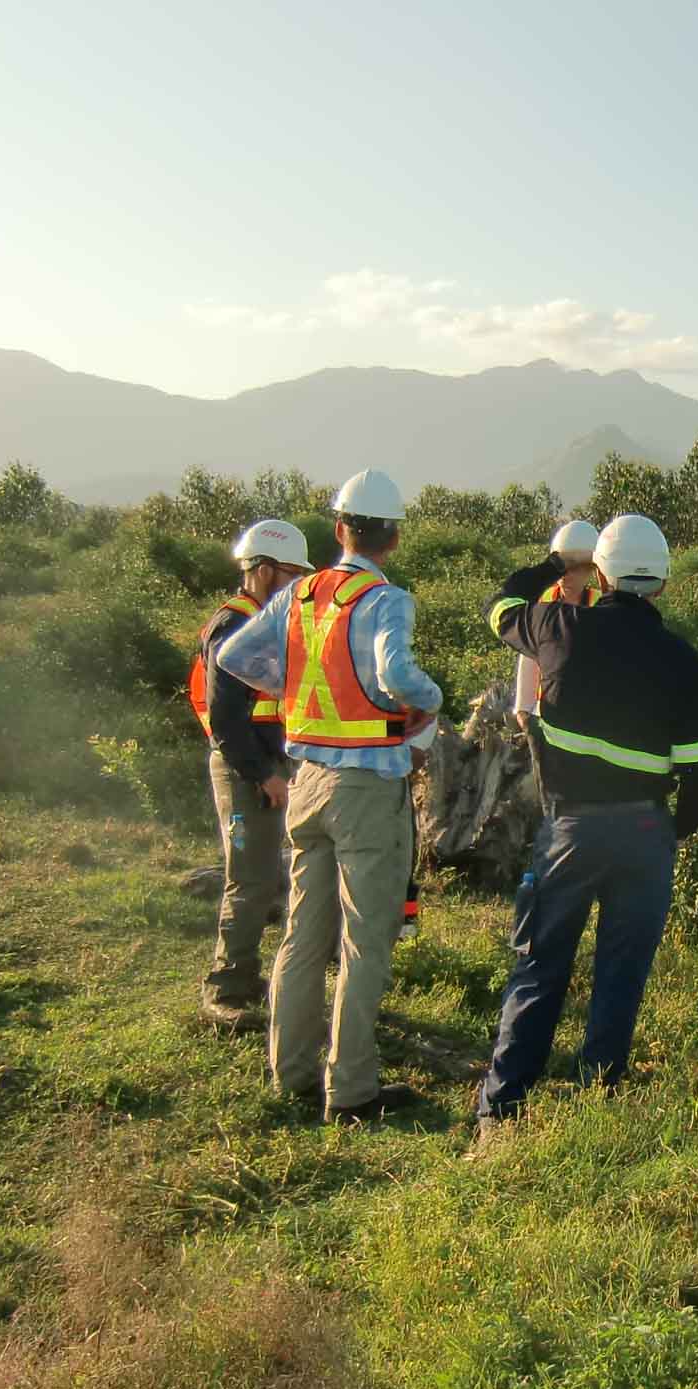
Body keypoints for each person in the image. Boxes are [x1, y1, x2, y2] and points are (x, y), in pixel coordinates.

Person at [471, 513, 698, 1145]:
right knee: (621, 969)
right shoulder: (681, 658)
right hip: (645, 833)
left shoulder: (557, 625)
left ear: (601, 573)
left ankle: (501, 1115)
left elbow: (502, 604)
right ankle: (597, 1098)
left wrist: (560, 565)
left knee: (538, 966)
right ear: (661, 584)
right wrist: (671, 831)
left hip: (570, 829)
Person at [216, 469, 442, 1124]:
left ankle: (289, 1074)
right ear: (393, 538)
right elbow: (398, 674)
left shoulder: (301, 594)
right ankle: (350, 1091)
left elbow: (234, 656)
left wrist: (292, 693)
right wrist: (431, 700)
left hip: (306, 779)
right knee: (367, 940)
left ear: (339, 529)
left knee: (301, 936)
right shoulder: (386, 599)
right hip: (366, 786)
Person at [190, 518, 312, 1030]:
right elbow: (226, 717)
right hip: (245, 769)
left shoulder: (263, 620)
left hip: (269, 765)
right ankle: (226, 989)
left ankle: (249, 974)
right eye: (289, 575)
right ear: (262, 571)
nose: (295, 587)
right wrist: (263, 774)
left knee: (267, 876)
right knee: (249, 880)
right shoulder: (233, 623)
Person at [511, 519, 601, 739]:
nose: (567, 575)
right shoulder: (542, 602)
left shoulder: (601, 606)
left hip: (590, 718)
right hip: (545, 714)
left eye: (576, 568)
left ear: (594, 569)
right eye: (562, 567)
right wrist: (523, 709)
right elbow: (530, 654)